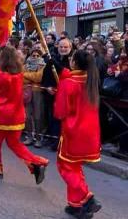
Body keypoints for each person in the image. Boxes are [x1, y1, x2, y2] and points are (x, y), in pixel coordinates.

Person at [0, 46, 49, 183]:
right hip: (16, 117)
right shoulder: (19, 75)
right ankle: (36, 162)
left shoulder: (4, 78)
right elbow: (3, 77)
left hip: (1, 116)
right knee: (14, 144)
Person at [54, 50, 103, 218]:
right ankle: (76, 205)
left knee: (65, 167)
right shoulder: (90, 79)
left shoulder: (68, 83)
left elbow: (60, 112)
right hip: (90, 133)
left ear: (74, 62)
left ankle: (87, 197)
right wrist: (57, 67)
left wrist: (58, 93)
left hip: (72, 132)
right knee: (75, 168)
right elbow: (70, 76)